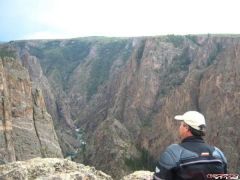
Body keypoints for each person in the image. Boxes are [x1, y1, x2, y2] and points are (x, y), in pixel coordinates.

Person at [153, 111, 227, 180]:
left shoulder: (173, 153)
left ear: (186, 128)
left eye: (181, 124)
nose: (179, 127)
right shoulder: (219, 154)